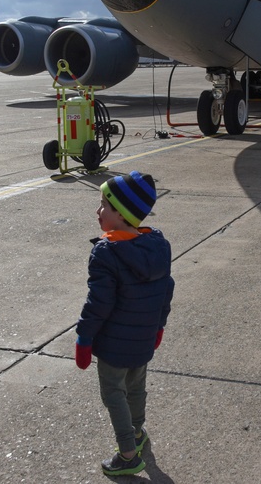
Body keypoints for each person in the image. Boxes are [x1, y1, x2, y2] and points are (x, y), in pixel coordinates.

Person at [75, 171, 174, 477]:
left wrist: (84, 339)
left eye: (103, 204)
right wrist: (159, 327)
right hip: (143, 339)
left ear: (119, 214)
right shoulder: (157, 246)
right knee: (136, 388)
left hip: (114, 344)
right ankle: (138, 431)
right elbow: (165, 292)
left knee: (113, 394)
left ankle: (128, 454)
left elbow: (98, 304)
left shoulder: (107, 253)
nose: (98, 210)